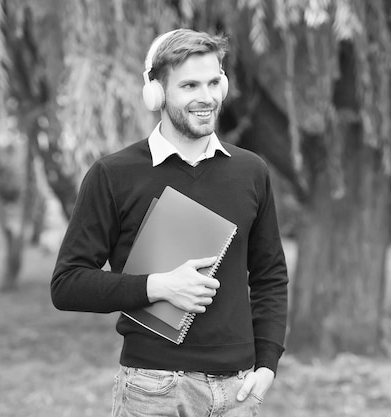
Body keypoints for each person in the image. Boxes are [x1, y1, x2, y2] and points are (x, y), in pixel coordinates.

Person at [51, 28, 288, 416]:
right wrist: (159, 287)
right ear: (156, 93)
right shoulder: (113, 174)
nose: (207, 97)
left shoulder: (251, 171)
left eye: (214, 82)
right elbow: (67, 285)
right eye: (190, 85)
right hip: (153, 388)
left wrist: (267, 364)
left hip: (237, 391)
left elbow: (270, 276)